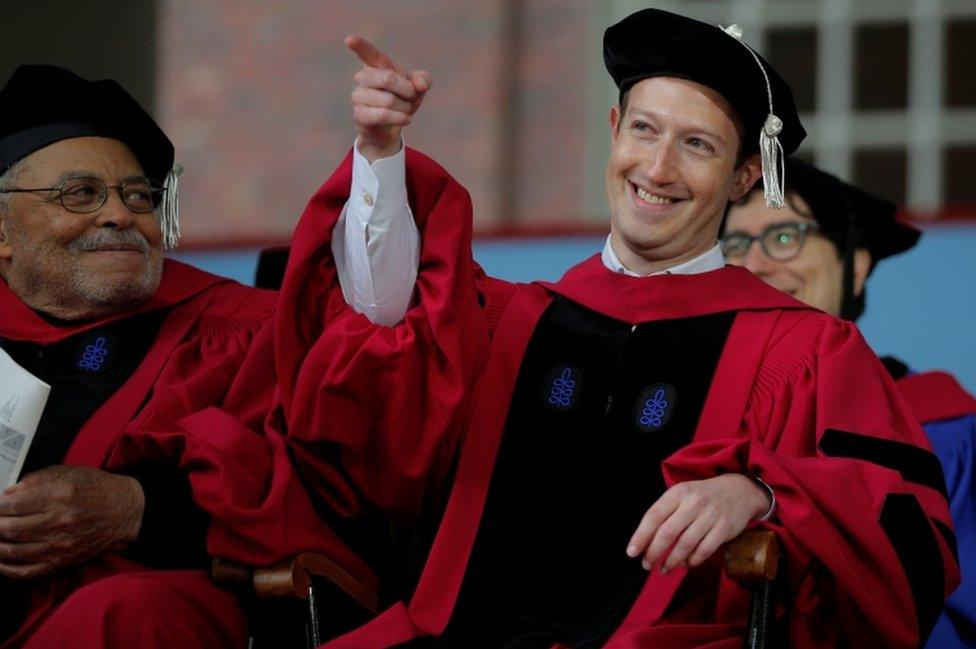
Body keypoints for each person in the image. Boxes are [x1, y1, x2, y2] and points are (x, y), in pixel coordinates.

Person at [275, 9, 959, 648]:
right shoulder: (506, 321)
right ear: (613, 128)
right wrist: (382, 153)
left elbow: (908, 531)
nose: (658, 169)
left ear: (745, 175)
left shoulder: (807, 349)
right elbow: (377, 339)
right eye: (644, 130)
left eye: (696, 144)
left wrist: (764, 493)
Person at [0, 65, 375, 648]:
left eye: (137, 195)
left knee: (125, 614)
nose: (121, 214)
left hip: (138, 609)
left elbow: (333, 493)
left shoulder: (248, 332)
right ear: (2, 232)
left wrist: (139, 509)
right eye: (80, 194)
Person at [722, 157, 976, 648]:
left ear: (855, 264)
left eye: (783, 237)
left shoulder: (946, 434)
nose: (754, 265)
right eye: (735, 245)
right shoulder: (705, 421)